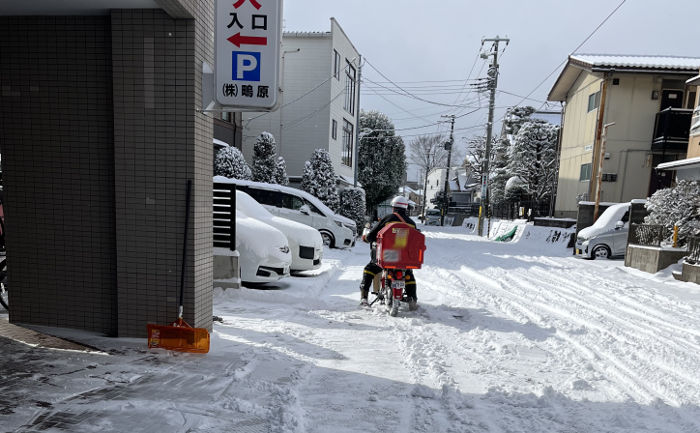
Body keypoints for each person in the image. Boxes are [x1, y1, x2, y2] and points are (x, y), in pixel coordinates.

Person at [360, 195, 418, 310]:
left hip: (387, 257)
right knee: (408, 274)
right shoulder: (411, 223)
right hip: (404, 258)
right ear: (406, 208)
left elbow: (371, 236)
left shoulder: (387, 219)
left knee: (369, 269)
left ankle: (364, 298)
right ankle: (412, 298)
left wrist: (366, 238)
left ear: (393, 208)